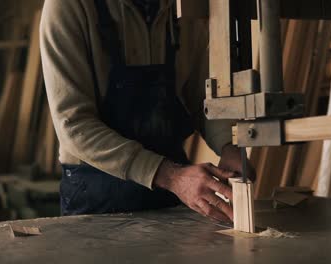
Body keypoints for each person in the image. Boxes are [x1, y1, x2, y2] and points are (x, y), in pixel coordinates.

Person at [40, 0, 255, 223]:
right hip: (97, 196)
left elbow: (200, 93)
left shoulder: (182, 6)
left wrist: (228, 145)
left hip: (168, 193)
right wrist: (172, 176)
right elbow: (74, 124)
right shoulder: (69, 6)